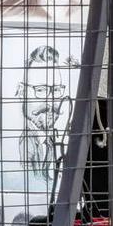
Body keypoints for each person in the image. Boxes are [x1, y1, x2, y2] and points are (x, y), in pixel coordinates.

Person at [17, 45, 72, 183]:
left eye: (56, 90)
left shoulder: (59, 138)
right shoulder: (25, 146)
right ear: (22, 92)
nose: (50, 101)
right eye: (41, 90)